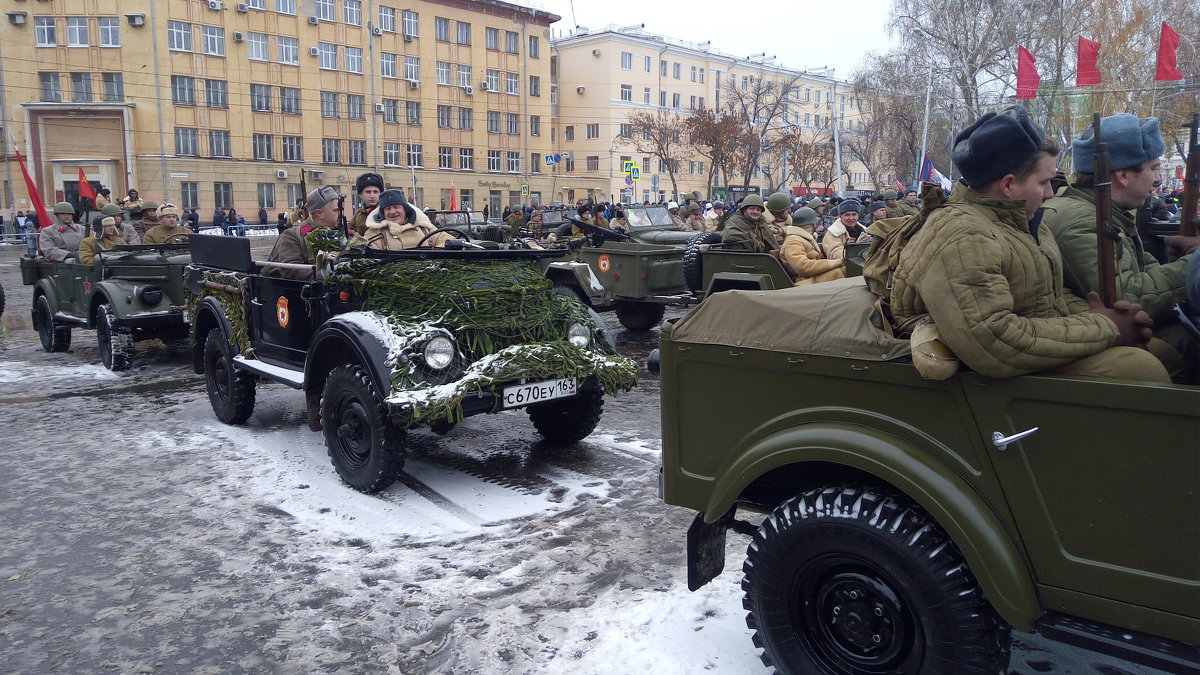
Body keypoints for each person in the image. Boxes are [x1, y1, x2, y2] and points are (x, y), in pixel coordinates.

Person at [889, 104, 1166, 382]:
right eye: (1044, 182)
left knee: (1162, 351)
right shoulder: (963, 236)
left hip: (1027, 348)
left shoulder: (1022, 222)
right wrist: (1105, 327)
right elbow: (995, 341)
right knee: (1140, 368)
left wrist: (1102, 316)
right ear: (1008, 186)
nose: (1050, 194)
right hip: (991, 369)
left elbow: (1046, 301)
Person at [1041, 113, 1199, 378]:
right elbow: (1128, 300)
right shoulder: (1083, 220)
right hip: (1091, 333)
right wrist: (1192, 266)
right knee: (1181, 346)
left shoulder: (1109, 213)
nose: (1157, 180)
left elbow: (1144, 272)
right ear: (1123, 175)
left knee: (1184, 338)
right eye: (1153, 168)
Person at [266, 187, 342, 280]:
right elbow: (291, 270)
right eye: (336, 210)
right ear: (319, 213)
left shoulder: (344, 233)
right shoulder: (293, 236)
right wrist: (326, 274)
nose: (341, 213)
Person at [350, 189, 452, 251]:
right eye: (387, 208)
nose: (392, 212)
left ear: (405, 209)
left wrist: (433, 256)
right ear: (383, 213)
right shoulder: (374, 233)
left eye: (396, 207)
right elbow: (367, 256)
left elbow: (448, 241)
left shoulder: (424, 227)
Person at [780, 207, 845, 286]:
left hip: (811, 276)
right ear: (811, 224)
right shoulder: (794, 242)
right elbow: (804, 267)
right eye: (815, 222)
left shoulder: (805, 238)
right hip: (803, 280)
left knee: (845, 270)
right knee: (843, 272)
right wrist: (837, 262)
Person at [350, 172, 385, 236]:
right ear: (360, 194)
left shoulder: (385, 211)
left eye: (375, 192)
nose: (372, 196)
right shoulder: (359, 213)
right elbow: (349, 228)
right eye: (368, 192)